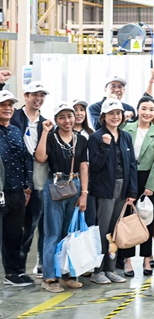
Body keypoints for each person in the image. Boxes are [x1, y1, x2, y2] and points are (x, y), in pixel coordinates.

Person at [35, 102, 89, 293]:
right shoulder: (51, 137)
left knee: (69, 234)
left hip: (75, 185)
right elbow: (40, 157)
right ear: (56, 120)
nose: (67, 121)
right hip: (55, 186)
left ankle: (67, 275)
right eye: (62, 117)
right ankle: (50, 278)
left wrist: (84, 194)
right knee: (52, 233)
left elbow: (83, 166)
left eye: (70, 116)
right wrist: (44, 132)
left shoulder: (81, 139)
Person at [87, 98, 137, 285]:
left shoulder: (126, 137)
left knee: (115, 231)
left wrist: (132, 191)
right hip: (104, 190)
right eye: (111, 113)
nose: (115, 117)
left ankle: (110, 269)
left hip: (122, 188)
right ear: (103, 116)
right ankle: (97, 271)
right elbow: (95, 165)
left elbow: (131, 165)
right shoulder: (96, 137)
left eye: (118, 113)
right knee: (102, 231)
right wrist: (105, 146)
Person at [119, 96, 154, 276]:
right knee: (128, 218)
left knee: (147, 219)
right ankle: (127, 259)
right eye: (144, 108)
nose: (147, 113)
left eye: (151, 109)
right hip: (129, 176)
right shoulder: (126, 128)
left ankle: (147, 257)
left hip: (149, 177)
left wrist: (151, 185)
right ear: (137, 110)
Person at [12, 81, 49, 279]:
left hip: (39, 178)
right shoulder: (14, 117)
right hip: (15, 177)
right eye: (35, 94)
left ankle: (29, 264)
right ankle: (15, 267)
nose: (38, 98)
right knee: (16, 224)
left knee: (34, 223)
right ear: (26, 96)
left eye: (42, 95)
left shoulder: (45, 123)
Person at [0, 90, 34, 287]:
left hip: (16, 192)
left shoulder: (15, 130)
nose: (7, 108)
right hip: (1, 191)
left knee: (14, 234)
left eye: (10, 105)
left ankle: (13, 272)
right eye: (3, 105)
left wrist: (27, 186)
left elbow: (26, 159)